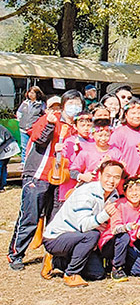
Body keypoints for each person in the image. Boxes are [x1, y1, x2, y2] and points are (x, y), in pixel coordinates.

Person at [7, 91, 81, 271]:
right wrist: (50, 125)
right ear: (63, 104)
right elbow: (38, 139)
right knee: (30, 216)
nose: (74, 106)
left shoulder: (78, 126)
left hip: (62, 179)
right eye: (70, 102)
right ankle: (16, 254)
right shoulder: (50, 118)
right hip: (39, 175)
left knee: (55, 218)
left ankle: (52, 256)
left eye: (78, 103)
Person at [41, 160, 125, 287]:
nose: (111, 181)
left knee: (98, 274)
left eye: (116, 177)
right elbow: (83, 225)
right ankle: (71, 274)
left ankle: (56, 261)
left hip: (81, 237)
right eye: (108, 176)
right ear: (100, 175)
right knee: (92, 235)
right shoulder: (87, 192)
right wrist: (104, 215)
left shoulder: (114, 195)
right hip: (57, 237)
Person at [99, 176, 140, 281]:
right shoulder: (119, 204)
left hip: (129, 244)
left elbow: (139, 235)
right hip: (112, 241)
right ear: (125, 192)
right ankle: (117, 268)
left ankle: (119, 264)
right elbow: (115, 229)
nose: (134, 193)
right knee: (123, 236)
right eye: (131, 190)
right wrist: (128, 227)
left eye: (138, 190)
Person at [110, 101, 140, 185]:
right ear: (126, 114)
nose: (136, 116)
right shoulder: (119, 132)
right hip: (122, 176)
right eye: (133, 113)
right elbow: (112, 153)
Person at [16, 86, 45, 164]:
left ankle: (32, 162)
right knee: (24, 146)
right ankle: (23, 162)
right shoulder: (25, 103)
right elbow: (19, 113)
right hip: (23, 128)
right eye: (29, 92)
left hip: (33, 129)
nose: (30, 94)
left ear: (37, 94)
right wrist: (21, 121)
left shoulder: (41, 104)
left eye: (33, 93)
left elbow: (43, 116)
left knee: (33, 146)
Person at [0, 123, 20, 192]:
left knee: (1, 166)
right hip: (7, 147)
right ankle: (2, 185)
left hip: (7, 147)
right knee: (2, 167)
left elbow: (1, 140)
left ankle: (1, 186)